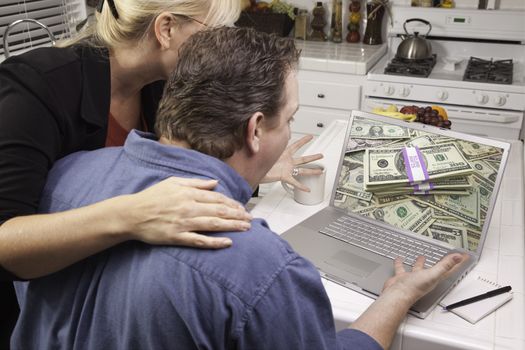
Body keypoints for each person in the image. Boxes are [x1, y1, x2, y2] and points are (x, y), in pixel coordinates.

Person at [12, 27, 468, 350]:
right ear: (254, 130)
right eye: (288, 119)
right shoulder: (262, 267)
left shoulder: (66, 176)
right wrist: (397, 296)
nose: (289, 130)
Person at [0, 0, 321, 345]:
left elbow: (178, 159)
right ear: (166, 28)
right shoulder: (37, 88)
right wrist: (132, 214)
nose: (222, 46)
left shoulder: (161, 84)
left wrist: (255, 165)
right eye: (214, 32)